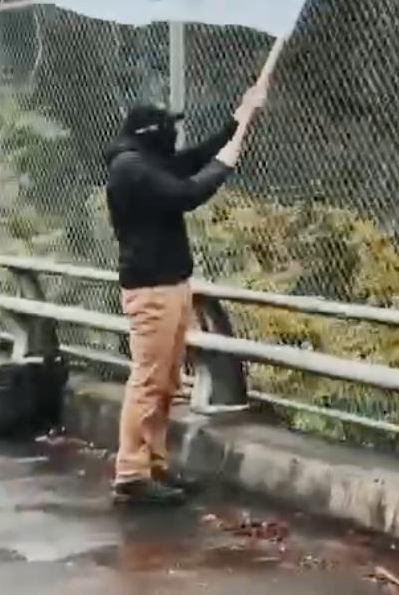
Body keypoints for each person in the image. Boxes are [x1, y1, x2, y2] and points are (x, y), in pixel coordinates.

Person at [106, 79, 267, 506]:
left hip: (172, 285)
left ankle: (154, 464)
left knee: (167, 381)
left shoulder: (148, 161)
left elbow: (194, 158)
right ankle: (132, 473)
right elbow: (188, 192)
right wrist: (225, 166)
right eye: (167, 128)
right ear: (149, 134)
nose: (174, 135)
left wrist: (241, 117)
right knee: (148, 380)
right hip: (152, 290)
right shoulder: (131, 169)